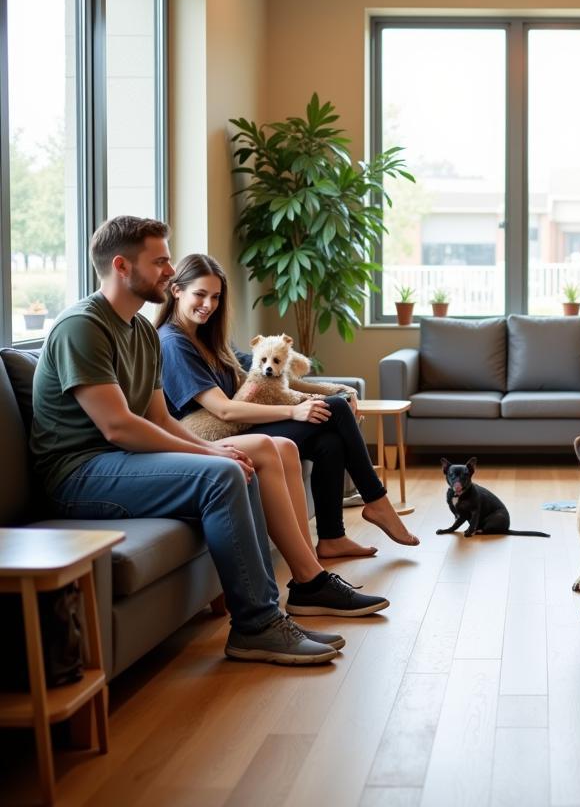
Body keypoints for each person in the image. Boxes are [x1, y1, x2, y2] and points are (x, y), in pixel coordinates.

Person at [31, 217, 353, 665]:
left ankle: (287, 602)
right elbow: (118, 427)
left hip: (118, 461)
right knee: (222, 474)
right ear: (122, 266)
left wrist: (217, 449)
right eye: (160, 260)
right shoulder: (82, 328)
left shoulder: (141, 332)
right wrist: (208, 453)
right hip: (79, 474)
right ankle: (256, 626)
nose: (169, 270)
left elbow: (160, 417)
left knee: (237, 457)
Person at [156, 253, 419, 563]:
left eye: (215, 297)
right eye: (200, 294)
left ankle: (332, 538)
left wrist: (336, 388)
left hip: (241, 427)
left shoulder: (210, 338)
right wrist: (294, 411)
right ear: (176, 291)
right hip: (207, 440)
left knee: (329, 441)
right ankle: (377, 500)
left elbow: (272, 375)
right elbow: (223, 411)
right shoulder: (174, 343)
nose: (209, 304)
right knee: (334, 410)